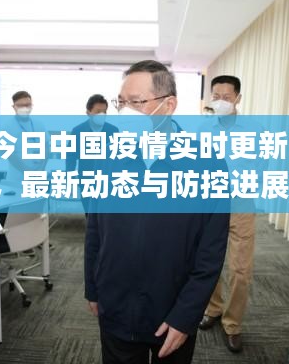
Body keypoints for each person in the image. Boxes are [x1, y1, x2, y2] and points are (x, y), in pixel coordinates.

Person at [85, 60, 230, 364]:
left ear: (169, 105)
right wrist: (93, 288)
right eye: (121, 102)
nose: (125, 111)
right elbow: (95, 229)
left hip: (171, 311)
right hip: (116, 308)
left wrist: (186, 315)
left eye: (136, 102)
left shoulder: (206, 164)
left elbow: (211, 251)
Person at [199, 75, 261, 353]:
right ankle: (212, 309)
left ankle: (233, 323)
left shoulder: (254, 129)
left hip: (241, 204)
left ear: (238, 98)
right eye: (216, 96)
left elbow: (261, 166)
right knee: (208, 261)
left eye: (226, 97)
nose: (221, 101)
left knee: (240, 269)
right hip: (209, 203)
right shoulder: (203, 128)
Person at [66, 94, 118, 215]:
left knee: (106, 215)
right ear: (88, 113)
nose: (102, 115)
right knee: (89, 214)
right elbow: (71, 156)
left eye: (104, 112)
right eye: (98, 112)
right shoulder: (78, 131)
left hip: (107, 181)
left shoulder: (113, 131)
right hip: (86, 180)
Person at [4, 91, 48, 185]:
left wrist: (41, 169)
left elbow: (46, 146)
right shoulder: (7, 126)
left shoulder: (39, 124)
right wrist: (28, 172)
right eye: (20, 105)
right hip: (17, 179)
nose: (24, 108)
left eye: (27, 105)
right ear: (14, 107)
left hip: (39, 177)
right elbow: (10, 154)